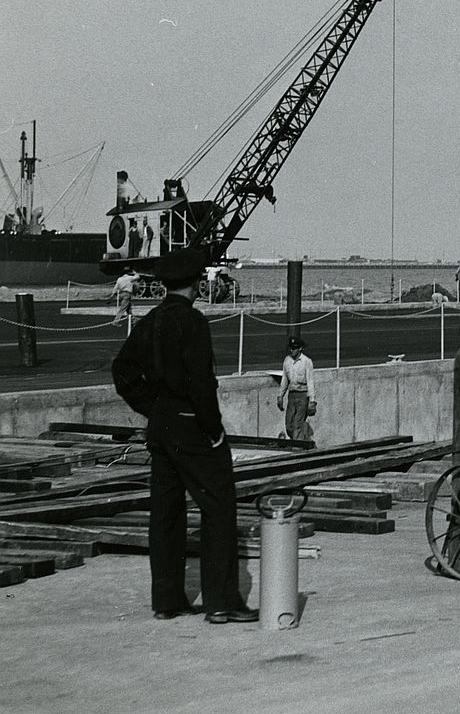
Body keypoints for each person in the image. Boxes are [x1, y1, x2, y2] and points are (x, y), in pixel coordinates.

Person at [110, 247, 257, 624]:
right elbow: (201, 384)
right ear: (195, 284)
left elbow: (122, 370)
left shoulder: (151, 321)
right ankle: (222, 602)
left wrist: (153, 408)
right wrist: (213, 430)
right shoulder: (193, 323)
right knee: (219, 506)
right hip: (192, 424)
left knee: (166, 513)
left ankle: (167, 600)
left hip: (161, 426)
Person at [277, 335, 317, 442]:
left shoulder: (306, 361)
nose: (291, 350)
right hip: (292, 395)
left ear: (300, 348)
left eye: (294, 348)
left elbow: (310, 381)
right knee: (289, 425)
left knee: (297, 425)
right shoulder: (287, 360)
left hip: (303, 395)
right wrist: (280, 396)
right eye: (290, 348)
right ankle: (301, 441)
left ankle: (298, 448)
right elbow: (284, 379)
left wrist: (312, 401)